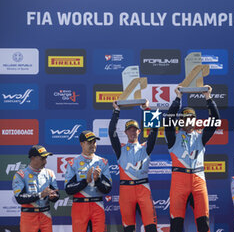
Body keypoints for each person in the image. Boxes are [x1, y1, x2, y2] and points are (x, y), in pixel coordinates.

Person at [165, 85, 220, 232]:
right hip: (179, 183)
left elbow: (215, 120)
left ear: (195, 120)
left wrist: (208, 97)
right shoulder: (173, 137)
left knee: (203, 223)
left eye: (191, 118)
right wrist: (177, 98)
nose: (188, 121)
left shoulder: (201, 136)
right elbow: (168, 120)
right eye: (185, 118)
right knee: (176, 225)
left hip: (198, 181)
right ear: (180, 120)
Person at [108, 100, 158, 232]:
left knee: (151, 227)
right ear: (125, 132)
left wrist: (147, 109)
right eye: (129, 130)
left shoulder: (146, 147)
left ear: (139, 131)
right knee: (128, 229)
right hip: (126, 191)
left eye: (134, 129)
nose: (132, 132)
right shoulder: (120, 149)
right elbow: (111, 131)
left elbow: (155, 129)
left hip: (143, 189)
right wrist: (116, 111)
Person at [65, 130, 112, 232]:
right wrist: (85, 181)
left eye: (94, 142)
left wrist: (98, 180)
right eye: (89, 142)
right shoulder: (73, 163)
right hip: (79, 206)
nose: (92, 145)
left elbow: (108, 188)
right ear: (82, 144)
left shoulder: (103, 162)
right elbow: (68, 189)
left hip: (97, 205)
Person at [12, 145, 60, 232]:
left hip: (45, 215)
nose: (45, 161)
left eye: (46, 158)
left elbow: (56, 194)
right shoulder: (20, 175)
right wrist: (40, 195)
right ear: (33, 158)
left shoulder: (50, 173)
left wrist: (53, 196)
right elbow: (19, 198)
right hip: (28, 216)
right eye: (42, 159)